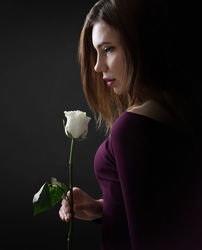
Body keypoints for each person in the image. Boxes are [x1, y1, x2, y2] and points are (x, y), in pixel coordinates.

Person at [59, 0, 202, 249]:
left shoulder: (132, 128)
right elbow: (169, 212)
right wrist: (101, 208)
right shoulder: (183, 109)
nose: (97, 66)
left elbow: (150, 238)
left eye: (109, 49)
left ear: (141, 45)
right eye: (96, 52)